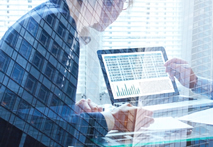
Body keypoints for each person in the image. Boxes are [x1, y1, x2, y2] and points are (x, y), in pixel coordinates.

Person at [0, 0, 153, 146]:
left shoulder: (50, 14)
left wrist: (68, 109)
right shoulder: (57, 22)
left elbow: (28, 106)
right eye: (107, 1)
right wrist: (112, 119)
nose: (114, 10)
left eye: (121, 2)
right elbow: (46, 129)